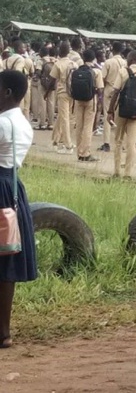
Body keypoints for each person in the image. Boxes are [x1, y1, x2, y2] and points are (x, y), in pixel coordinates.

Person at [0, 70, 36, 350]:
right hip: (11, 189)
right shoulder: (22, 123)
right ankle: (4, 331)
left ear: (7, 92)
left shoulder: (2, 123)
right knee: (6, 261)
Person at [107, 50, 136, 178]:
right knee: (131, 143)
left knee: (118, 140)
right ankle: (128, 173)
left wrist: (110, 111)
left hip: (122, 111)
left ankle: (116, 171)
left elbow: (116, 92)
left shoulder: (123, 72)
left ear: (129, 60)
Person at [74, 50, 103, 162]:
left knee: (79, 125)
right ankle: (85, 153)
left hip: (78, 99)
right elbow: (100, 88)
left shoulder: (77, 70)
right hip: (91, 100)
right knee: (88, 126)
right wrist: (100, 100)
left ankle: (79, 152)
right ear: (94, 58)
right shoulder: (96, 71)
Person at [49, 42, 76, 154]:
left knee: (64, 118)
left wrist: (47, 92)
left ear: (60, 52)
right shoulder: (73, 64)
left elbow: (52, 78)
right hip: (73, 93)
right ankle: (55, 141)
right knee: (63, 116)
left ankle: (68, 145)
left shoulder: (58, 64)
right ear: (68, 52)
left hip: (62, 92)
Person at [100, 42, 126, 152]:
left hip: (109, 89)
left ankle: (106, 143)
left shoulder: (108, 62)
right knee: (120, 117)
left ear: (112, 49)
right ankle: (121, 142)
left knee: (107, 115)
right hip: (121, 90)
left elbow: (103, 77)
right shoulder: (125, 63)